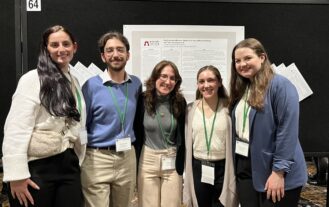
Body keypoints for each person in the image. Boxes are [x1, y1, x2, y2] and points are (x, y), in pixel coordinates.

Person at [2, 25, 86, 207]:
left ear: (74, 47)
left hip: (68, 164)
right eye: (54, 45)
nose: (61, 49)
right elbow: (16, 129)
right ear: (46, 49)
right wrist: (17, 176)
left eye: (66, 44)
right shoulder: (32, 79)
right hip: (38, 167)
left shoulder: (74, 80)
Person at [229, 38, 308, 207]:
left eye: (247, 58)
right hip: (247, 169)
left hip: (275, 171)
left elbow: (287, 132)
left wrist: (278, 172)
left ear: (262, 58)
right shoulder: (244, 89)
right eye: (237, 61)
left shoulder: (281, 86)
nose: (242, 64)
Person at [81, 31, 142, 207]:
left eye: (120, 50)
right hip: (97, 158)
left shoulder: (136, 84)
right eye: (110, 50)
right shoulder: (91, 86)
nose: (115, 55)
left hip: (127, 158)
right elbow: (83, 124)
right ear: (103, 56)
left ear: (127, 55)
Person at [183, 65, 238, 207]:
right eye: (201, 81)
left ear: (219, 82)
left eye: (210, 80)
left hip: (223, 168)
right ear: (197, 84)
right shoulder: (190, 109)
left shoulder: (229, 108)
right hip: (198, 167)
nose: (206, 85)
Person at [134, 60, 186, 207]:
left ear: (176, 82)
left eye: (172, 78)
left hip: (172, 159)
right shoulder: (143, 100)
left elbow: (182, 134)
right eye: (163, 76)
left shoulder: (180, 102)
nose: (167, 81)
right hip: (147, 160)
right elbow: (136, 129)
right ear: (155, 77)